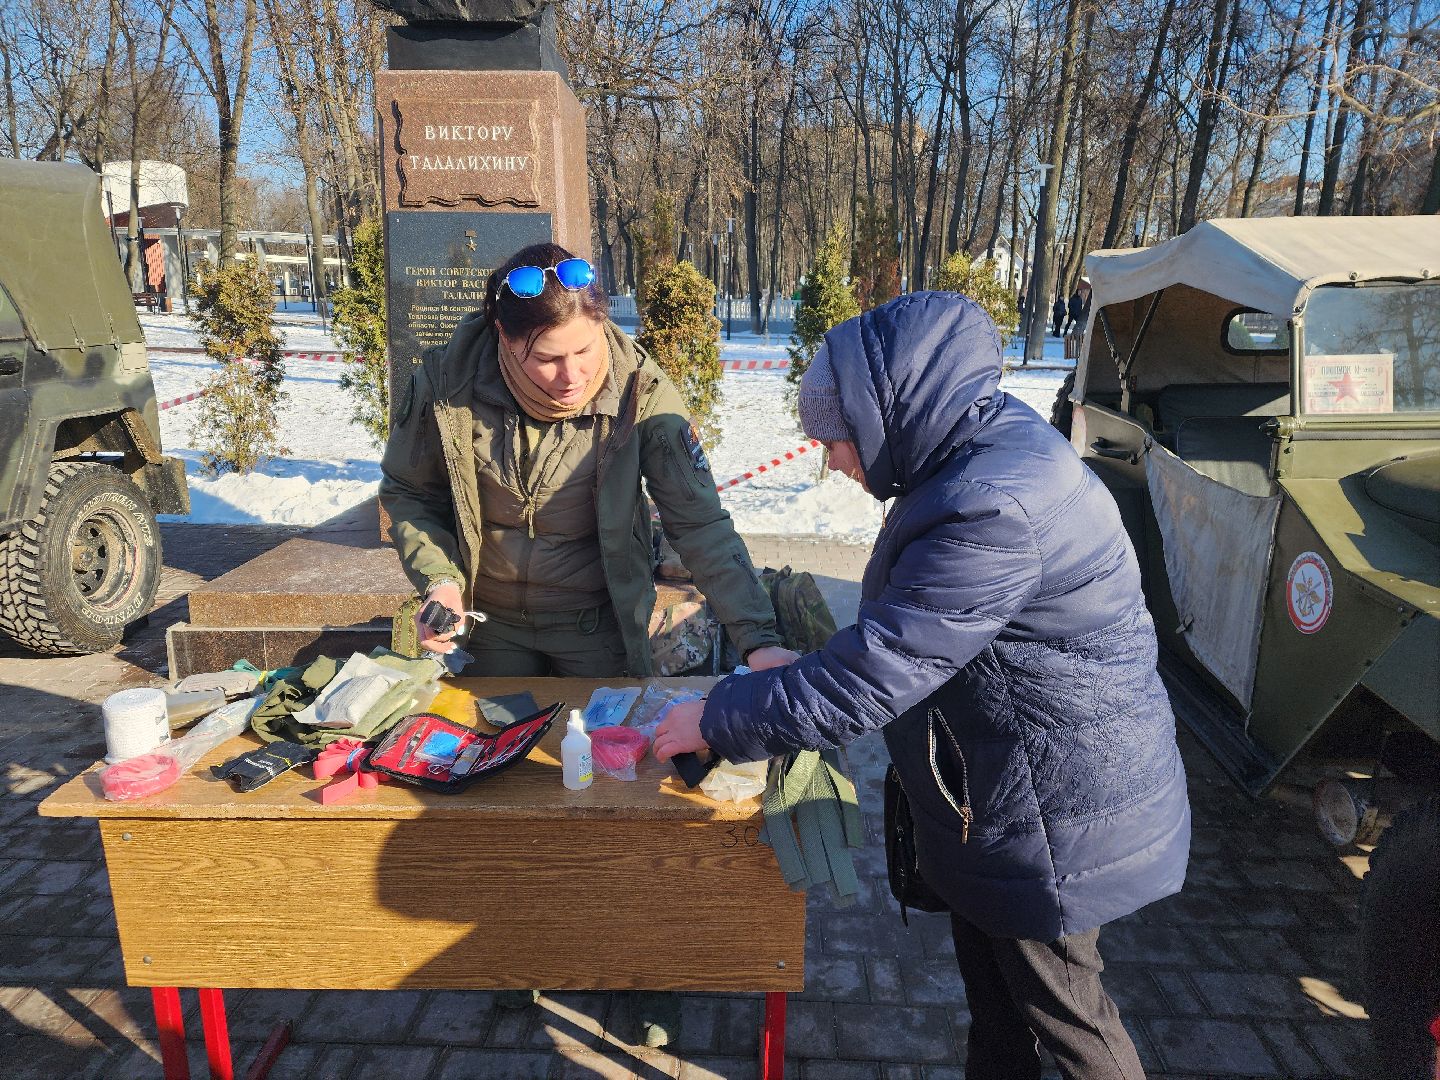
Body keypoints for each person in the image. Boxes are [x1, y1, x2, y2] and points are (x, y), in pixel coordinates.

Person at [654, 292, 1190, 1080]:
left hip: (1050, 820)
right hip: (1017, 795)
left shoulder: (990, 504)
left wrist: (719, 716)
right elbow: (912, 631)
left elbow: (876, 673)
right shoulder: (973, 452)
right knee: (1001, 1009)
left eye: (835, 442)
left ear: (882, 417)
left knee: (1071, 1023)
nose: (833, 463)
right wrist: (792, 673)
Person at [379, 241, 798, 1044]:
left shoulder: (641, 390)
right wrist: (439, 580)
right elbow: (409, 493)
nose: (572, 375)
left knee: (623, 800)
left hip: (599, 627)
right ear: (504, 340)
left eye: (585, 350)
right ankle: (528, 947)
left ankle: (646, 966)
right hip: (495, 630)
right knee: (506, 797)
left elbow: (701, 526)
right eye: (547, 359)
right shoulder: (446, 382)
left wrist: (758, 640)